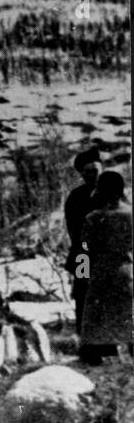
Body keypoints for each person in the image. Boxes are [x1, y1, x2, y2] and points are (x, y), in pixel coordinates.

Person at [78, 170, 132, 364]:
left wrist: (81, 276)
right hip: (128, 271)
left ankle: (96, 357)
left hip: (102, 273)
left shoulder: (93, 218)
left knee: (96, 323)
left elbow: (84, 250)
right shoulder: (131, 215)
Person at [65, 146, 102, 333]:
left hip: (108, 254)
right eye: (87, 172)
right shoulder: (75, 197)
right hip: (83, 254)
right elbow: (74, 230)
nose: (91, 175)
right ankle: (85, 340)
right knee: (83, 296)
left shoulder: (114, 195)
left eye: (95, 171)